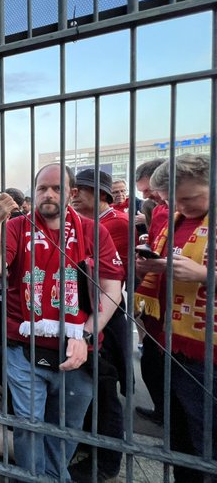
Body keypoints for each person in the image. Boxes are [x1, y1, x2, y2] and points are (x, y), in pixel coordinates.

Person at [0, 164, 123, 480]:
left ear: (72, 194)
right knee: (29, 429)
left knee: (66, 429)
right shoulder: (18, 226)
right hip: (25, 352)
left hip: (78, 354)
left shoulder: (93, 231)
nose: (48, 194)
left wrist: (86, 335)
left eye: (57, 188)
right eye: (42, 188)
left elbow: (112, 289)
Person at [134, 153, 216, 481]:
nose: (182, 205)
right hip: (172, 343)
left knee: (207, 441)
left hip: (208, 353)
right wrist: (153, 265)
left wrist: (204, 274)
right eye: (176, 200)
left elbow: (197, 272)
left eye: (191, 197)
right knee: (181, 437)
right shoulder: (177, 220)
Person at [70, 168, 130, 481]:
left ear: (102, 195)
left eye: (81, 190)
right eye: (74, 189)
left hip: (107, 315)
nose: (74, 195)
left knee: (105, 391)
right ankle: (88, 443)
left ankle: (106, 463)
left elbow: (112, 283)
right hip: (87, 312)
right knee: (89, 386)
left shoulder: (114, 223)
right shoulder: (87, 224)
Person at [134, 158, 170, 425]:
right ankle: (163, 412)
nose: (147, 196)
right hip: (154, 298)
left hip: (186, 312)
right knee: (152, 362)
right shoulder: (158, 212)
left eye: (150, 191)